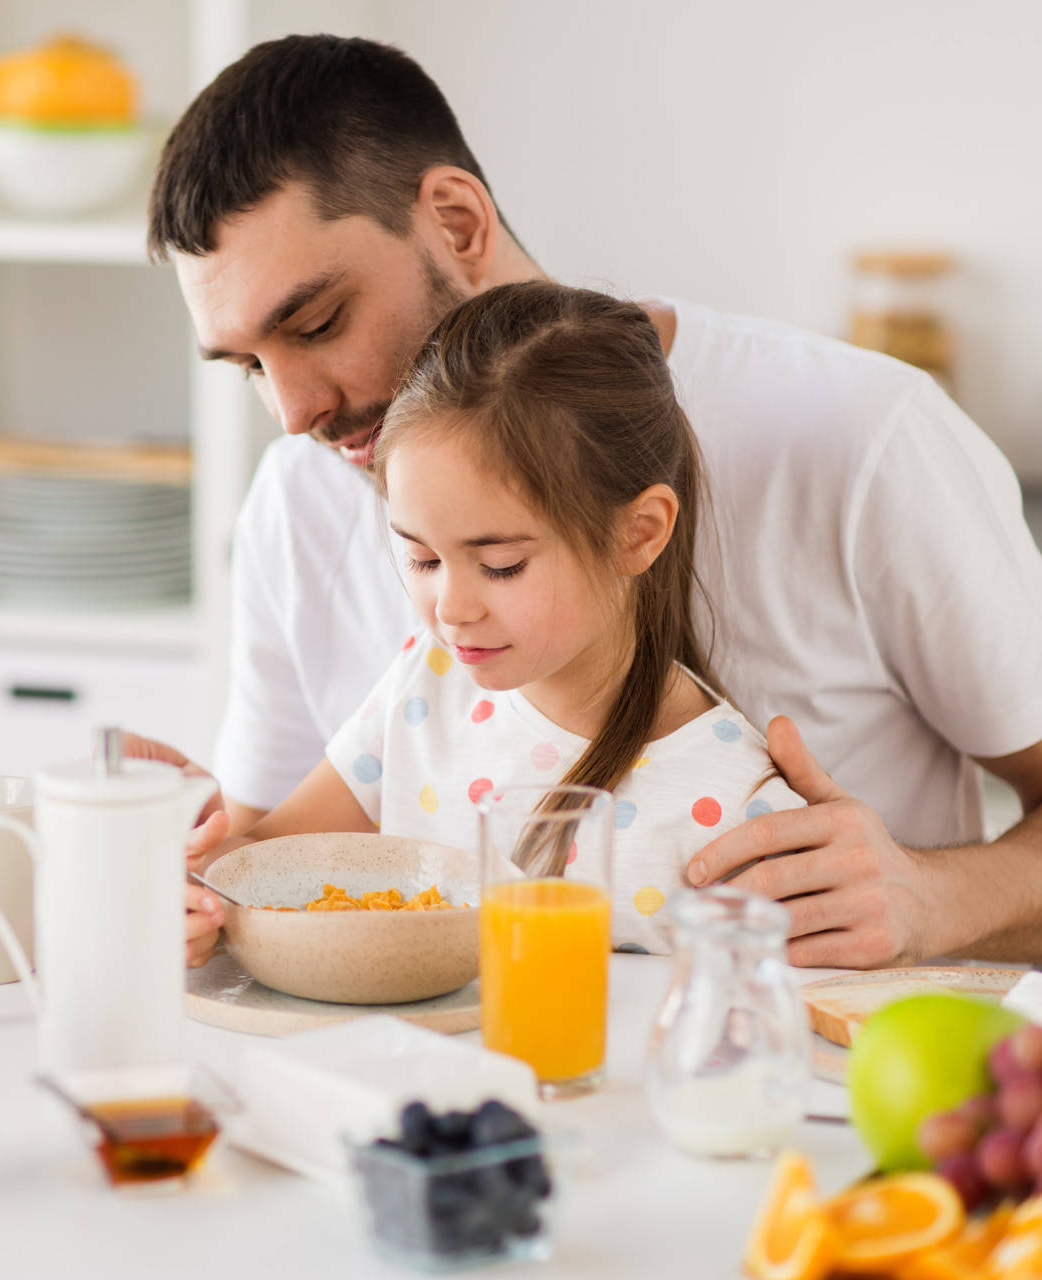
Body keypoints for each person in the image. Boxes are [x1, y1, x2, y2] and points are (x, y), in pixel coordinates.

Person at [148, 35, 1042, 971]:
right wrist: (183, 867)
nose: (295, 416)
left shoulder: (860, 436)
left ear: (455, 222)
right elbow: (267, 862)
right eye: (249, 364)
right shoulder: (297, 496)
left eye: (318, 324)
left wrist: (933, 899)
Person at [185, 282, 804, 964]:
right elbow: (267, 865)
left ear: (639, 533)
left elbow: (778, 1020)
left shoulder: (733, 798)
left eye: (501, 565)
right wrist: (196, 884)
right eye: (421, 558)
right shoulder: (428, 685)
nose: (451, 609)